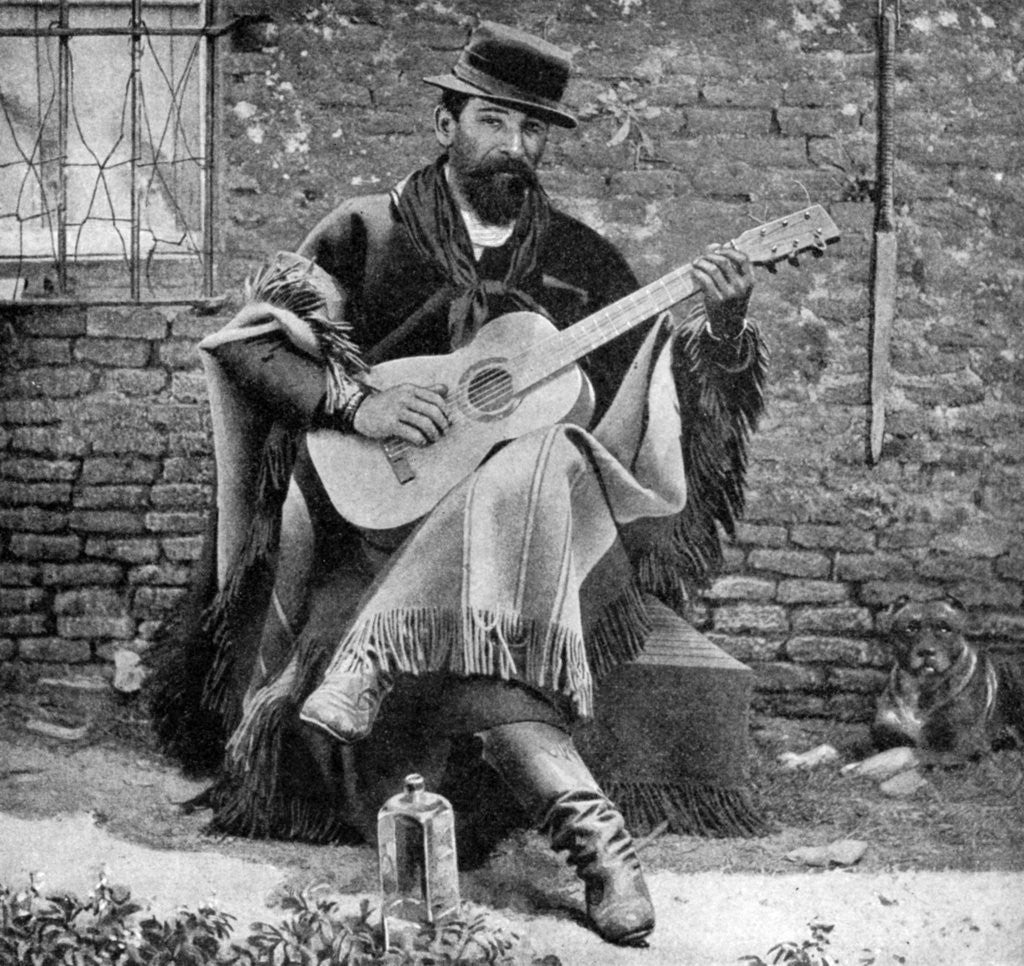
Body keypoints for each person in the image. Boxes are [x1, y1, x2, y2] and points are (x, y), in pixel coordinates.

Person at [150, 21, 765, 946]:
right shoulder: (362, 232)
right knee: (495, 603)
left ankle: (374, 663)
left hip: (548, 542)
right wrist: (356, 408)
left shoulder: (583, 260)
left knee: (544, 459)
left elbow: (656, 393)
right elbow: (256, 350)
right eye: (493, 121)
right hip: (384, 527)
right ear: (446, 123)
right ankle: (599, 846)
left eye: (534, 131)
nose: (515, 148)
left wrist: (720, 328)